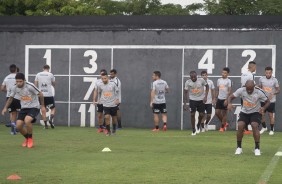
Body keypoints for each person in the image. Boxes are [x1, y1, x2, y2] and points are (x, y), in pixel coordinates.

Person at [2, 73, 45, 148]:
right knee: (18, 126)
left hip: (34, 107)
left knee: (27, 120)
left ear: (24, 80)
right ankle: (27, 139)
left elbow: (40, 94)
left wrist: (43, 106)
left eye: (20, 81)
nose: (18, 83)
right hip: (24, 108)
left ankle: (30, 139)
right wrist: (5, 108)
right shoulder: (15, 87)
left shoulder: (30, 86)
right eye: (17, 81)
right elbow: (10, 98)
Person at [227, 80, 270, 156]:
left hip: (255, 112)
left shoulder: (259, 92)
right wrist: (229, 103)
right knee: (240, 126)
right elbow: (230, 97)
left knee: (254, 125)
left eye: (251, 89)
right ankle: (239, 147)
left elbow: (268, 101)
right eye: (248, 89)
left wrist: (263, 108)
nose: (249, 91)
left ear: (254, 86)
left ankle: (257, 148)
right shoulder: (241, 90)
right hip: (245, 112)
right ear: (245, 87)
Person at [184, 71, 209, 136]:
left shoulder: (201, 80)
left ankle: (198, 124)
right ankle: (193, 130)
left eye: (194, 77)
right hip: (192, 99)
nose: (193, 78)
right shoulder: (188, 82)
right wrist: (185, 103)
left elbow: (207, 86)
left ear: (196, 76)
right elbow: (185, 92)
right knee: (192, 114)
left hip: (201, 99)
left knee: (201, 114)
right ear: (190, 77)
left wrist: (205, 96)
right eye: (192, 77)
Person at [258, 67, 280, 135]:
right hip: (263, 100)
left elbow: (278, 90)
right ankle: (264, 127)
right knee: (261, 114)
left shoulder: (274, 80)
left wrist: (273, 93)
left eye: (269, 73)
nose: (268, 74)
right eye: (267, 73)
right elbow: (259, 87)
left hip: (271, 101)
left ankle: (271, 129)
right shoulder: (261, 79)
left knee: (270, 115)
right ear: (265, 72)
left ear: (271, 73)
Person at [1, 64, 21, 134]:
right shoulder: (18, 77)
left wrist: (8, 90)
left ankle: (13, 130)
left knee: (13, 113)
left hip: (9, 97)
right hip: (18, 97)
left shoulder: (7, 78)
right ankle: (18, 127)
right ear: (16, 69)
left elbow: (2, 88)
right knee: (20, 113)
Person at [34, 65, 55, 129]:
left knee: (43, 107)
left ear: (43, 68)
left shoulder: (38, 74)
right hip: (49, 94)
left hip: (41, 94)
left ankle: (45, 125)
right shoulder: (51, 74)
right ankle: (51, 119)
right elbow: (54, 84)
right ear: (48, 69)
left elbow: (35, 85)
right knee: (53, 108)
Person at [241, 61, 256, 134]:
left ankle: (245, 128)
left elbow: (243, 85)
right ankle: (245, 128)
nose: (255, 68)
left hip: (242, 95)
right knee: (249, 111)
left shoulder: (243, 74)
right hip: (248, 95)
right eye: (255, 67)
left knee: (244, 111)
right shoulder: (251, 75)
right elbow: (251, 86)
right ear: (252, 67)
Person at [215, 67, 232, 132]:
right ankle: (224, 123)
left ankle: (222, 127)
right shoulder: (219, 80)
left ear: (228, 74)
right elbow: (217, 89)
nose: (223, 74)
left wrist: (227, 99)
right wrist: (215, 98)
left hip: (225, 99)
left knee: (224, 113)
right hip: (219, 98)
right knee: (217, 112)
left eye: (225, 73)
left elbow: (230, 91)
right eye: (222, 72)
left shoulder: (229, 81)